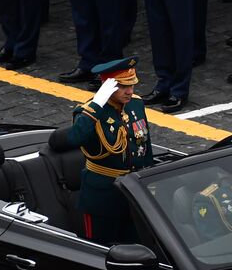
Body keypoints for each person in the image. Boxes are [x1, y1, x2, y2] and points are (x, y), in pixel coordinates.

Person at [47, 57, 154, 244]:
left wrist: (150, 182)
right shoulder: (89, 112)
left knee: (138, 245)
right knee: (101, 249)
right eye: (123, 86)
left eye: (132, 85)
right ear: (107, 87)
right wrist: (97, 104)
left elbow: (145, 145)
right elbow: (75, 138)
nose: (130, 91)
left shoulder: (136, 104)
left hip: (134, 194)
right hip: (103, 196)